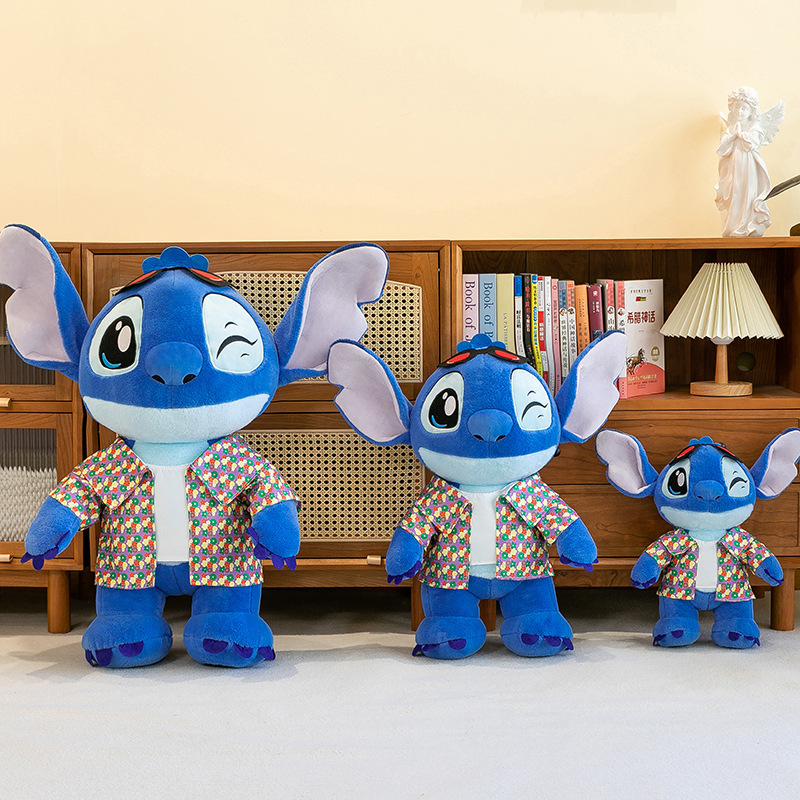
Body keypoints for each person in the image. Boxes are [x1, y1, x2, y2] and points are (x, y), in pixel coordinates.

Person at [715, 86, 784, 237]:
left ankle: (747, 225)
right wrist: (733, 135)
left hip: (749, 165)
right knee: (734, 192)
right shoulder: (731, 129)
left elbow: (752, 143)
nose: (739, 111)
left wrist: (740, 135)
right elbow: (722, 148)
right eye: (737, 107)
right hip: (734, 166)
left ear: (751, 110)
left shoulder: (755, 126)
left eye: (744, 108)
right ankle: (733, 225)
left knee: (748, 193)